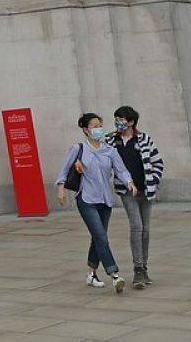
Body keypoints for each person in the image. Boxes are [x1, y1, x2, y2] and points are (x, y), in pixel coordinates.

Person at [54, 112, 135, 294]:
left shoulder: (110, 150)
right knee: (101, 237)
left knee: (98, 237)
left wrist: (129, 182)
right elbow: (64, 170)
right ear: (85, 129)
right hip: (86, 199)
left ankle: (91, 273)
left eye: (100, 125)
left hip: (105, 200)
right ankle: (114, 275)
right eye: (94, 126)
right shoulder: (78, 149)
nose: (98, 129)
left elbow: (121, 170)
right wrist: (60, 188)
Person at [109, 105, 164, 289]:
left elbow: (158, 162)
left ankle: (144, 268)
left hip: (145, 191)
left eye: (122, 119)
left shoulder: (143, 139)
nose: (118, 122)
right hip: (126, 191)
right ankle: (138, 269)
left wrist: (153, 181)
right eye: (116, 118)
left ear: (131, 122)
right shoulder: (111, 140)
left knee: (145, 229)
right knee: (136, 226)